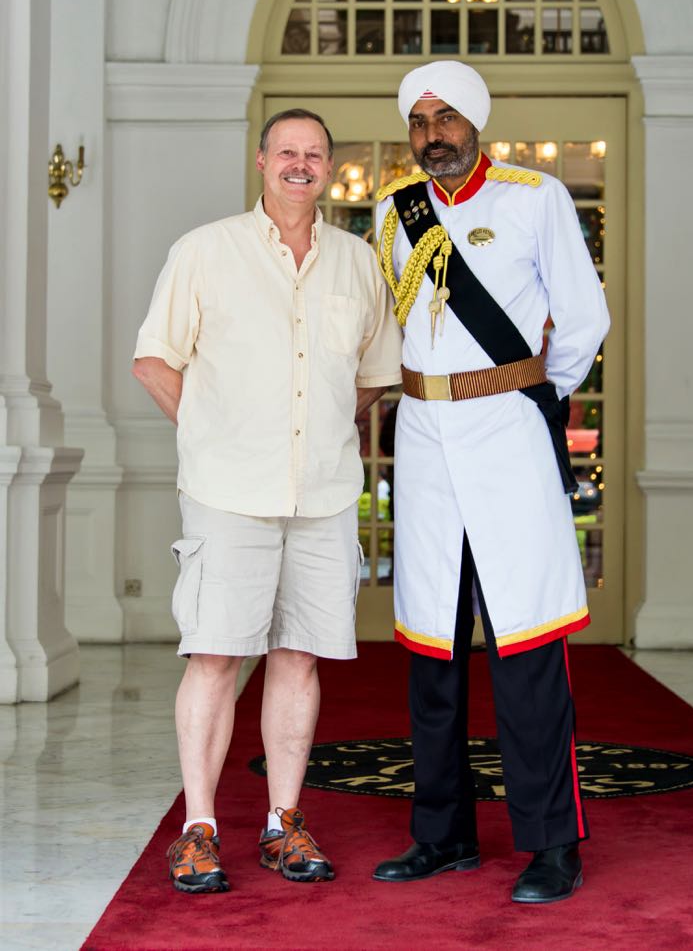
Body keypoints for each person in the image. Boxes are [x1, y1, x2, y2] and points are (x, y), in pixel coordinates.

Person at [132, 109, 402, 894]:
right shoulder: (205, 251)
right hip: (227, 494)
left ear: (329, 169)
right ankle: (199, 828)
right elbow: (154, 361)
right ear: (261, 162)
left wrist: (314, 433)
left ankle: (285, 822)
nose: (300, 163)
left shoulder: (357, 262)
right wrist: (217, 435)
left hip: (321, 495)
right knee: (215, 657)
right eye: (287, 150)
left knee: (298, 657)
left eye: (314, 154)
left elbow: (375, 373)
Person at [372, 61, 610, 904]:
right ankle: (442, 835)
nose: (433, 133)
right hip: (427, 445)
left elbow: (583, 317)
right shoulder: (394, 212)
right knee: (433, 649)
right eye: (420, 120)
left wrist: (534, 392)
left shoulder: (534, 197)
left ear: (475, 121)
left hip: (506, 433)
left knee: (527, 647)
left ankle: (553, 844)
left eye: (446, 118)